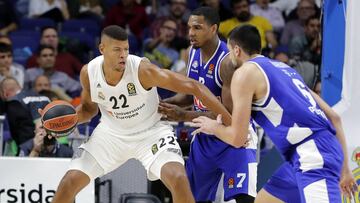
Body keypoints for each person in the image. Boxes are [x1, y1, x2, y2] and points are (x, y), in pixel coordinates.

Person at [48, 25, 231, 203]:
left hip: (151, 133)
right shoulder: (89, 72)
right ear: (102, 49)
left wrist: (231, 122)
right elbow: (89, 110)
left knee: (178, 178)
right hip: (111, 135)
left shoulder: (142, 70)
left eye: (126, 49)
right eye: (117, 49)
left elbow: (193, 86)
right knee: (68, 182)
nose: (123, 55)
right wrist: (66, 121)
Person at [191, 25, 358, 202]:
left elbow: (237, 139)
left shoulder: (244, 73)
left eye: (229, 52)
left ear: (237, 50)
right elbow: (334, 117)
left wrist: (213, 128)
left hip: (313, 155)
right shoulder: (285, 69)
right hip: (300, 157)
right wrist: (345, 169)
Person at [159, 7, 257, 203]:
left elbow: (229, 115)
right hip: (204, 137)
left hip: (234, 138)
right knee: (192, 199)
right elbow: (189, 96)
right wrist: (162, 105)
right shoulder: (191, 53)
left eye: (197, 28)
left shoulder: (226, 63)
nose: (191, 33)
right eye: (189, 28)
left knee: (243, 200)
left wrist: (184, 116)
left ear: (213, 29)